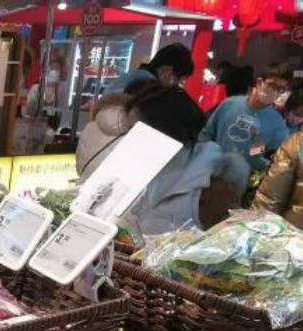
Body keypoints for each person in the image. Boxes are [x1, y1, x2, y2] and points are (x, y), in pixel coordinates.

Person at [77, 79, 248, 235]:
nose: (131, 140)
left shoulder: (212, 189)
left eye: (140, 132)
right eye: (129, 131)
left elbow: (223, 253)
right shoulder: (134, 171)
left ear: (170, 132)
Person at [200, 64, 291, 176]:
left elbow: (271, 152)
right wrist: (202, 157)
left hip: (240, 180)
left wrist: (255, 151)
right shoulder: (229, 104)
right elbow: (207, 133)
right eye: (272, 85)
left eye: (280, 89)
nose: (275, 91)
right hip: (208, 169)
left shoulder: (276, 123)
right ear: (259, 82)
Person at [102, 43, 193, 96]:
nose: (177, 85)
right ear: (166, 71)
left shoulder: (135, 76)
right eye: (179, 80)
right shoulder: (149, 89)